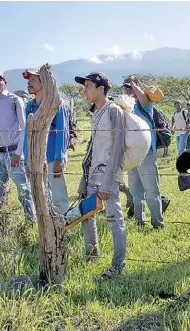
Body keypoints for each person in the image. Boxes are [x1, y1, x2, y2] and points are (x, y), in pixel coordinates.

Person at [75, 72, 126, 279]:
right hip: (92, 174)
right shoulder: (95, 113)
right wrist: (83, 178)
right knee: (87, 215)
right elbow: (91, 148)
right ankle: (91, 253)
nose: (84, 90)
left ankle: (118, 264)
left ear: (101, 89)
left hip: (107, 175)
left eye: (88, 86)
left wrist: (107, 183)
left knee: (114, 218)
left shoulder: (113, 111)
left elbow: (117, 149)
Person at [0, 69, 37, 227]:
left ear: (4, 82)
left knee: (23, 189)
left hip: (14, 153)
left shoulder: (14, 100)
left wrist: (19, 153)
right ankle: (0, 225)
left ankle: (30, 222)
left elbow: (24, 128)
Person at [22, 68, 70, 214]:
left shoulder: (56, 104)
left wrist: (58, 159)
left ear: (45, 82)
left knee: (58, 197)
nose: (29, 83)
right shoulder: (29, 106)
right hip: (35, 159)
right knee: (41, 196)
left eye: (33, 80)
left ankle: (62, 227)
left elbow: (63, 132)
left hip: (51, 158)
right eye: (29, 80)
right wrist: (26, 159)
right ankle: (47, 227)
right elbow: (26, 135)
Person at [122, 76, 165, 228]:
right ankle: (139, 221)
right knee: (135, 191)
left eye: (131, 88)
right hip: (131, 154)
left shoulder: (144, 104)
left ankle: (158, 222)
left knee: (151, 189)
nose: (129, 90)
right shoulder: (124, 108)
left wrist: (134, 84)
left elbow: (145, 100)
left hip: (147, 152)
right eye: (126, 88)